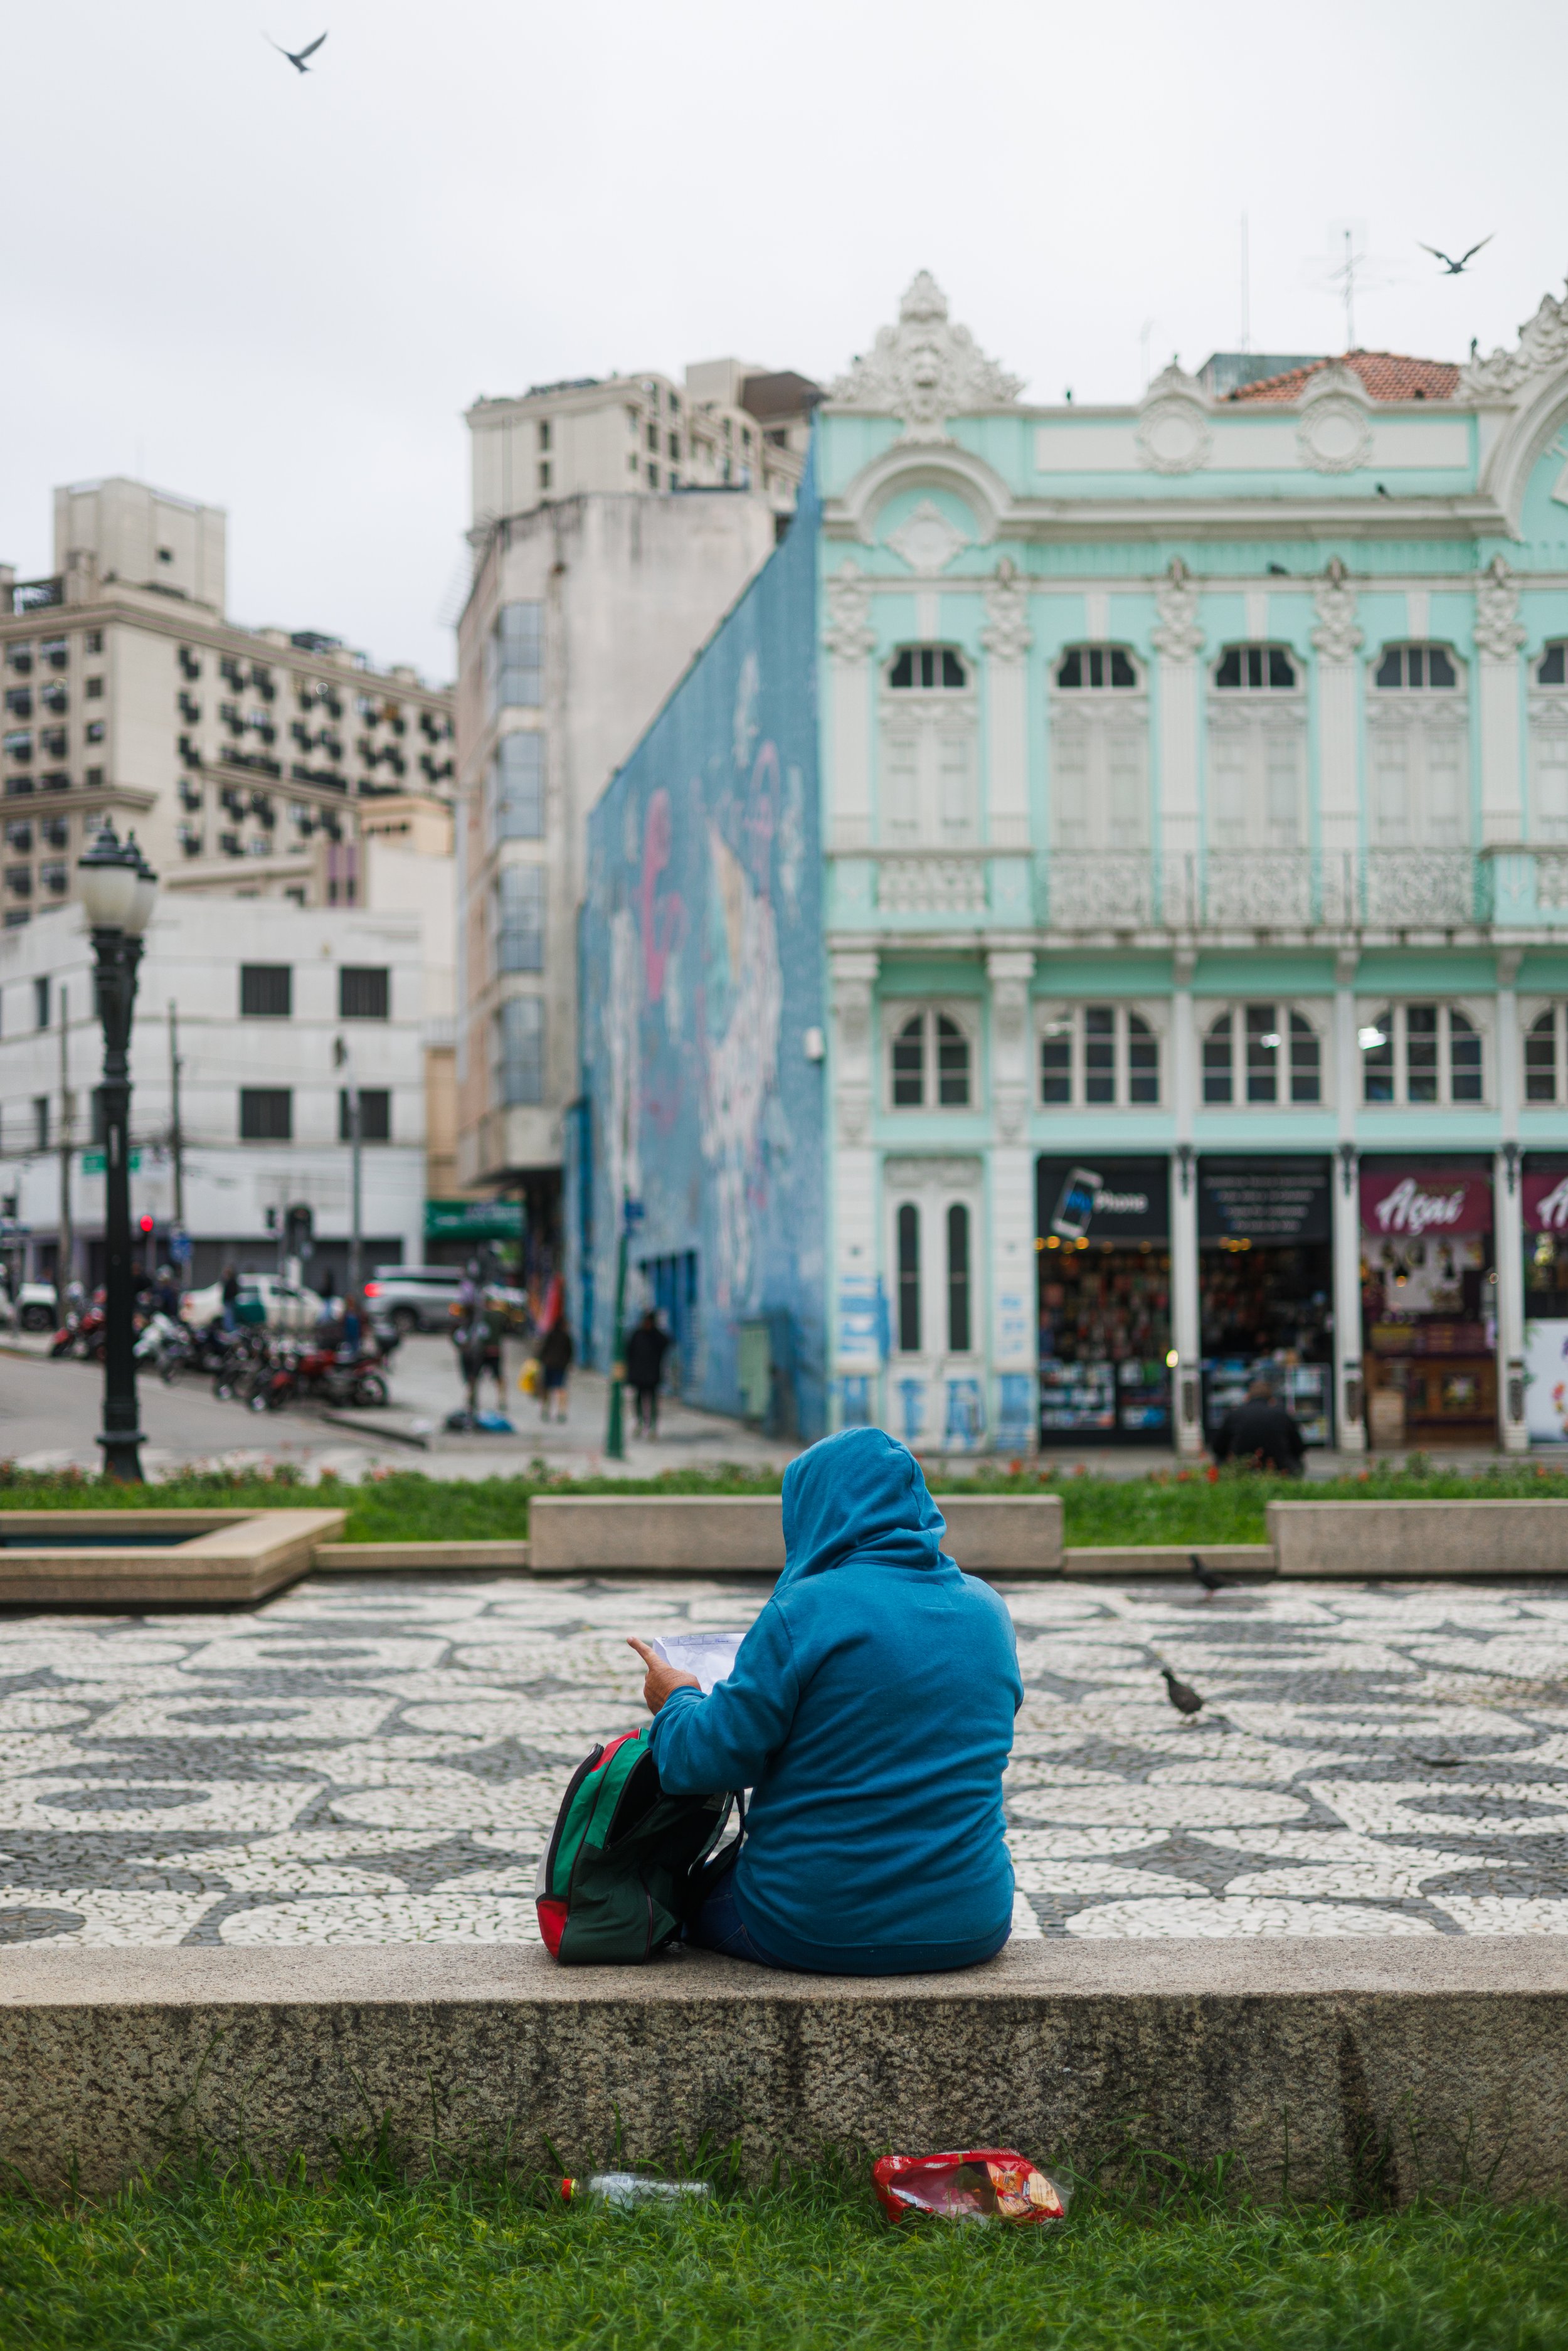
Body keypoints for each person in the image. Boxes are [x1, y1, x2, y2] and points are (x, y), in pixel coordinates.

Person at [628, 1426, 1023, 1976]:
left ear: (815, 1512)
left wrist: (676, 1700)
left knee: (681, 1902)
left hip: (813, 1925)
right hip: (974, 1923)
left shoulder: (804, 1612)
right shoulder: (990, 1613)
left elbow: (707, 1761)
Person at [1213, 1375, 1306, 1475]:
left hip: (1242, 1469)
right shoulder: (1282, 1415)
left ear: (1247, 1397)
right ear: (1272, 1400)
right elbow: (1299, 1448)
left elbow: (1218, 1448)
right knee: (1297, 1462)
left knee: (1220, 1460)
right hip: (1279, 1469)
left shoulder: (1234, 1414)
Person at [625, 1308, 670, 1438]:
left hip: (653, 1375)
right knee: (639, 1399)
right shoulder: (636, 1335)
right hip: (639, 1375)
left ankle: (652, 1426)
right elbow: (628, 1352)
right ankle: (640, 1422)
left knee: (653, 1401)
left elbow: (667, 1342)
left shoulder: (657, 1336)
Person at [537, 1313, 573, 1423]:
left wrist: (541, 1361)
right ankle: (562, 1412)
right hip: (561, 1366)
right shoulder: (566, 1337)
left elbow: (543, 1350)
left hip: (549, 1364)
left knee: (547, 1389)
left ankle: (545, 1410)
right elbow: (570, 1353)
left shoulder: (550, 1335)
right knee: (561, 1389)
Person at [220, 1262, 241, 1334]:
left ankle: (230, 1329)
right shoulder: (228, 1281)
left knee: (229, 1316)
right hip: (229, 1301)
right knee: (228, 1316)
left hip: (230, 1301)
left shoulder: (232, 1281)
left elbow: (233, 1291)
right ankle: (229, 1328)